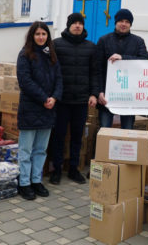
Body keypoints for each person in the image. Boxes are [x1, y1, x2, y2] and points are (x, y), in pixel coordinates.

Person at [50, 13, 99, 185]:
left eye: (80, 23)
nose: (77, 26)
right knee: (59, 136)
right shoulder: (56, 44)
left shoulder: (90, 47)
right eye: (74, 23)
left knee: (77, 137)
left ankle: (73, 169)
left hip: (81, 101)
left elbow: (94, 73)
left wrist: (93, 94)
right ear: (68, 25)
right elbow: (51, 71)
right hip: (61, 100)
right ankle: (56, 169)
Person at [16, 21, 63, 200]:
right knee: (26, 150)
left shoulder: (51, 55)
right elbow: (25, 81)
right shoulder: (25, 55)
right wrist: (44, 98)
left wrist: (54, 97)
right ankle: (24, 183)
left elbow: (59, 79)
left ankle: (36, 181)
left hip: (48, 109)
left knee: (41, 149)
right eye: (38, 34)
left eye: (44, 34)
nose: (41, 37)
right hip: (30, 108)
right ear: (32, 36)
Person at [97, 8, 148, 129]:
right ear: (115, 22)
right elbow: (97, 69)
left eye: (127, 22)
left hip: (129, 95)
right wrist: (99, 92)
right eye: (121, 21)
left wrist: (123, 58)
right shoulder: (104, 40)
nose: (124, 24)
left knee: (128, 131)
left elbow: (144, 61)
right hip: (107, 95)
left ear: (130, 24)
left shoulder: (138, 41)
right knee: (104, 130)